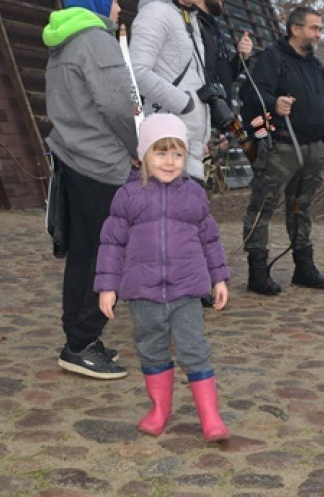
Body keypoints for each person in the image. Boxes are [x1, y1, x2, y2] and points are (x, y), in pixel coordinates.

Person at [95, 114, 230, 441]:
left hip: (186, 291)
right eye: (161, 152)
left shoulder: (194, 195)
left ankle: (210, 417)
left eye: (178, 154)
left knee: (194, 349)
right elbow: (111, 243)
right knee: (152, 349)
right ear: (143, 155)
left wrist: (219, 278)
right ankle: (160, 409)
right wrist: (107, 286)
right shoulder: (128, 197)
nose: (170, 162)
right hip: (143, 293)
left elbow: (210, 238)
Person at [44, 0, 137, 379]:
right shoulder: (96, 41)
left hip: (73, 159)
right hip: (102, 165)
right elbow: (119, 105)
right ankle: (81, 341)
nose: (119, 7)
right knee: (103, 256)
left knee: (83, 254)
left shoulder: (64, 39)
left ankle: (79, 338)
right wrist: (141, 149)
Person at [241, 6, 324, 295]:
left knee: (300, 208)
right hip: (282, 147)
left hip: (313, 148)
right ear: (295, 29)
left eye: (320, 28)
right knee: (263, 206)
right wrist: (273, 102)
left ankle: (303, 267)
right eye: (314, 28)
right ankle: (257, 271)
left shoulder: (316, 64)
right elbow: (249, 94)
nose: (318, 33)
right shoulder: (272, 58)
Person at [129, 0, 212, 184]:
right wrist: (185, 105)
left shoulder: (188, 16)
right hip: (167, 146)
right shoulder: (155, 13)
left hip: (186, 145)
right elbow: (135, 71)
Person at [198, 0, 253, 104]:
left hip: (218, 119)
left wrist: (241, 57)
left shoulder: (213, 26)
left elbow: (225, 77)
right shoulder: (193, 24)